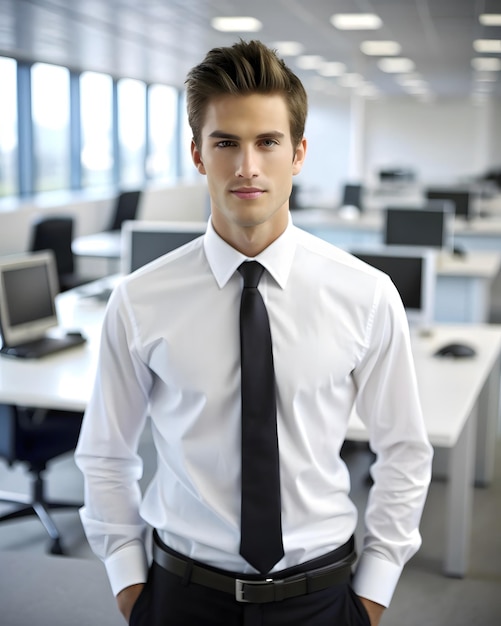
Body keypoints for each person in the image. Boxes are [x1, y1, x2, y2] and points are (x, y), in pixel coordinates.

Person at [75, 40, 433, 626]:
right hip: (181, 595)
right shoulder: (139, 299)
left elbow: (405, 452)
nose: (247, 166)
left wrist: (373, 592)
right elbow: (106, 454)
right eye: (226, 143)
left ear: (298, 153)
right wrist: (129, 584)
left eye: (268, 142)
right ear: (197, 154)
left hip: (322, 596)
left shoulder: (365, 295)